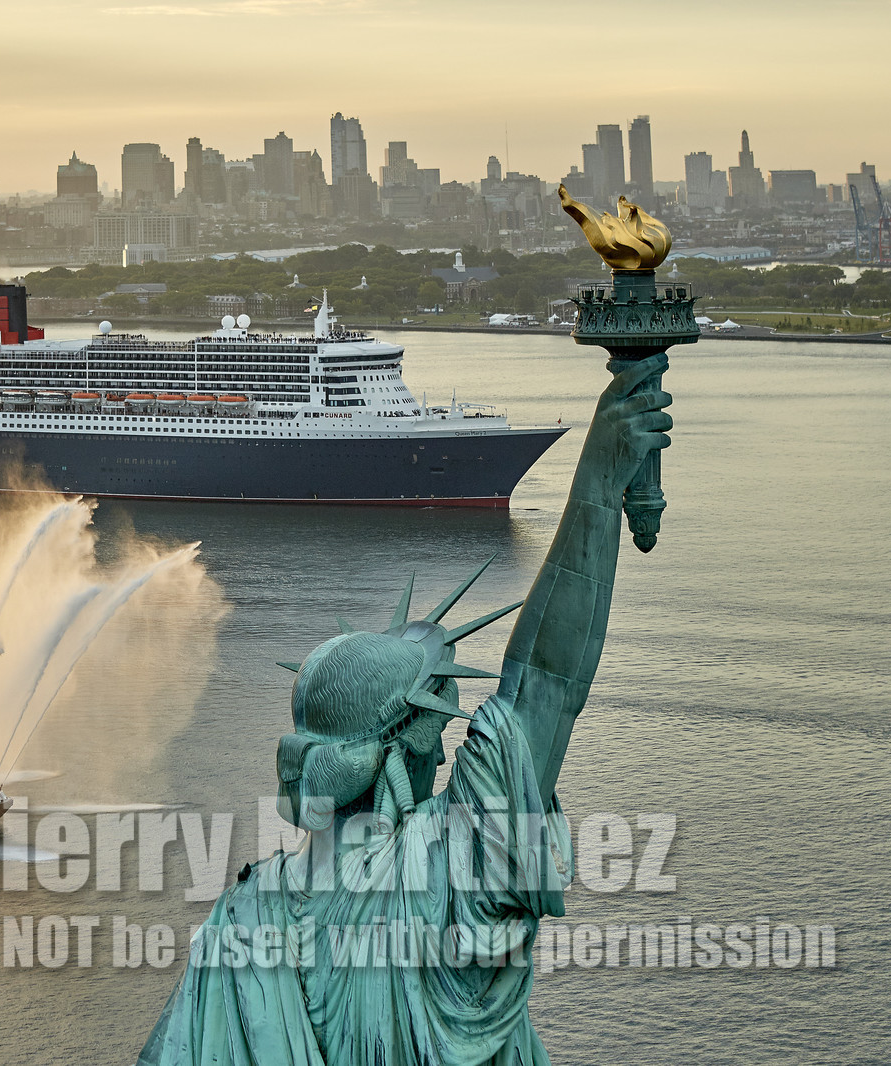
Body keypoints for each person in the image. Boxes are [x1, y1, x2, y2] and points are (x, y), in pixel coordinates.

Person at [138, 354, 673, 1066]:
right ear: (396, 752)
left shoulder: (241, 917)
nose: (445, 757)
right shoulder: (442, 879)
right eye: (435, 739)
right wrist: (599, 488)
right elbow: (545, 683)